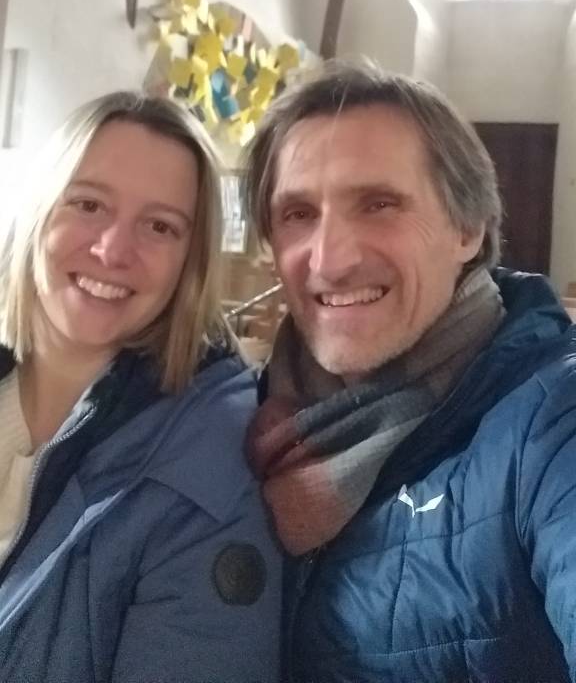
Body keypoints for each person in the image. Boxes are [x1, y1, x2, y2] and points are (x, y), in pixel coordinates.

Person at [245, 58, 576, 683]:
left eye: (378, 204)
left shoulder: (552, 418)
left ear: (467, 228)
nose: (330, 260)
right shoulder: (249, 420)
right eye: (298, 214)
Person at [0, 91, 281, 683]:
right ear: (40, 209)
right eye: (88, 204)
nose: (112, 250)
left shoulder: (213, 469)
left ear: (189, 262)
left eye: (159, 226)